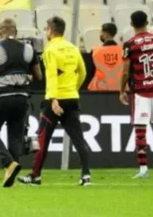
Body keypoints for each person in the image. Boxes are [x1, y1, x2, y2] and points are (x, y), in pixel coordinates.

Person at [20, 17, 93, 186]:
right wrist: (73, 89)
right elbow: (82, 72)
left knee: (43, 139)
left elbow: (51, 76)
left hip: (55, 100)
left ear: (50, 31)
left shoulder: (50, 49)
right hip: (72, 98)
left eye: (46, 29)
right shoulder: (73, 48)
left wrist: (54, 100)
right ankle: (86, 175)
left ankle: (35, 176)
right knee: (78, 139)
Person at [0, 23, 42, 187]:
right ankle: (10, 175)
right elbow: (38, 75)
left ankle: (8, 163)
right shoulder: (28, 48)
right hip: (22, 97)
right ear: (16, 31)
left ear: (0, 33)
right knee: (15, 136)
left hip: (1, 95)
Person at [120, 11, 153, 179]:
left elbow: (126, 72)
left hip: (140, 92)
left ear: (131, 23)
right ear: (147, 22)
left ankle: (143, 169)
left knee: (140, 130)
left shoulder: (130, 44)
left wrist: (122, 90)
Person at [88, 23, 122, 90]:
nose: (101, 35)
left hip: (100, 90)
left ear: (106, 34)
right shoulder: (123, 50)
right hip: (120, 88)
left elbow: (91, 72)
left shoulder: (95, 51)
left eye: (101, 32)